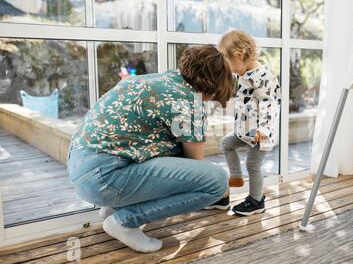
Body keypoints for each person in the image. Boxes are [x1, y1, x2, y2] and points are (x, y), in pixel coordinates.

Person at [67, 45, 234, 252]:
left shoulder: (149, 80)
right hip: (104, 178)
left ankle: (113, 208)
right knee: (215, 181)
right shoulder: (190, 101)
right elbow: (193, 166)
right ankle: (124, 221)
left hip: (80, 168)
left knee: (166, 151)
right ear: (213, 83)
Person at [206, 29, 281, 215]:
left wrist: (264, 129)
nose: (229, 70)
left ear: (239, 55)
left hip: (258, 135)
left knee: (253, 165)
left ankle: (256, 201)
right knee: (226, 144)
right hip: (245, 131)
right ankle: (236, 178)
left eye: (229, 65)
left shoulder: (262, 77)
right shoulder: (244, 74)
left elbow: (270, 103)